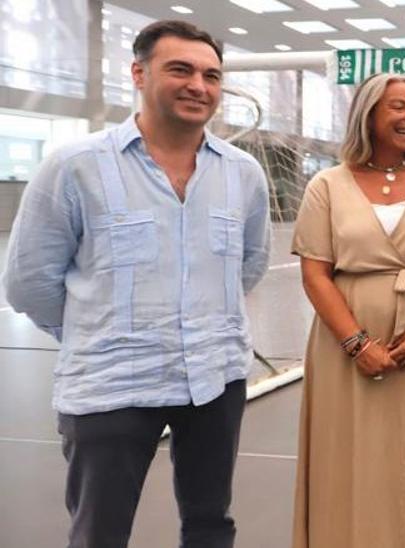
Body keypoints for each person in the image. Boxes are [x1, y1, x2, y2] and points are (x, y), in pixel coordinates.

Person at [2, 20, 270, 548]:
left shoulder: (243, 174)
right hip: (111, 385)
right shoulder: (75, 167)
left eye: (211, 75)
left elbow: (249, 265)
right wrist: (97, 330)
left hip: (214, 380)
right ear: (139, 74)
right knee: (101, 532)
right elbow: (29, 281)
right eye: (181, 69)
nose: (199, 85)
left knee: (211, 524)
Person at [289, 72, 405, 547]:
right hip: (345, 345)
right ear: (368, 114)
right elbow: (315, 273)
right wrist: (356, 342)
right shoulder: (326, 186)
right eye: (399, 107)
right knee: (351, 452)